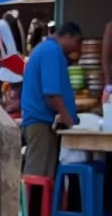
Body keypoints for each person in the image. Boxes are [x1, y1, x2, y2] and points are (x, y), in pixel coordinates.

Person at [21, 21, 82, 179]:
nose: (78, 47)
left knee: (46, 177)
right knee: (35, 175)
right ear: (68, 37)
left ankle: (37, 204)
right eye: (77, 41)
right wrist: (69, 122)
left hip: (43, 123)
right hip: (41, 122)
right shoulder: (51, 51)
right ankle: (25, 204)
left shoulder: (47, 50)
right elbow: (52, 95)